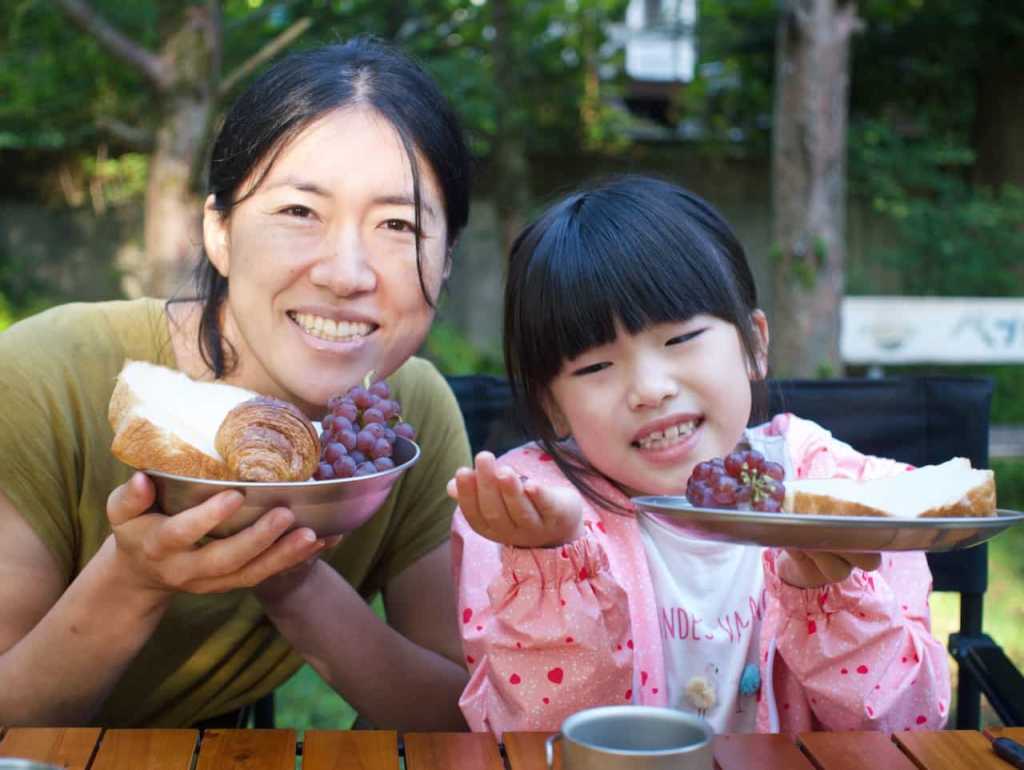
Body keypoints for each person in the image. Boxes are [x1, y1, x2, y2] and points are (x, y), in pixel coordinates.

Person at [0, 38, 473, 729]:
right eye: (299, 212)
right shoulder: (52, 375)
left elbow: (459, 718)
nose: (346, 273)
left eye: (397, 224)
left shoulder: (404, 419)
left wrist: (291, 578)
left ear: (448, 258)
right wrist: (135, 579)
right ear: (218, 231)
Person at [449, 175, 950, 736]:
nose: (649, 389)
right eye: (595, 367)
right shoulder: (520, 515)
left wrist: (831, 596)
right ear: (552, 407)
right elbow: (525, 741)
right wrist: (552, 568)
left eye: (680, 340)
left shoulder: (845, 493)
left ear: (754, 344)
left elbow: (909, 729)